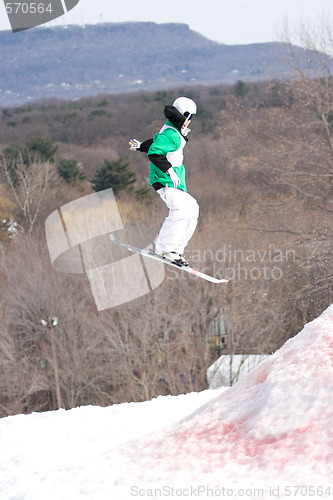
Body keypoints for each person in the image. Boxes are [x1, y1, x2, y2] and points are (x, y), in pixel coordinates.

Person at [129, 96, 199, 267]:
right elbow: (155, 152)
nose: (190, 122)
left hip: (174, 180)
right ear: (186, 116)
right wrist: (168, 170)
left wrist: (140, 146)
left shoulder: (172, 130)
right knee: (181, 210)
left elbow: (155, 142)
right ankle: (164, 249)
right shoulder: (172, 134)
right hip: (164, 178)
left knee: (192, 208)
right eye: (191, 118)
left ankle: (176, 250)